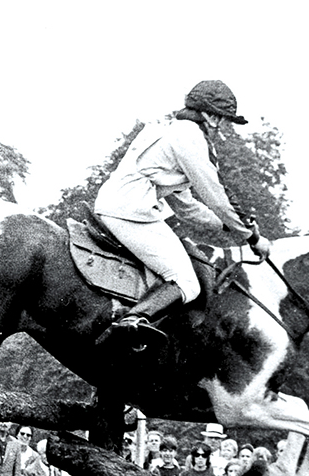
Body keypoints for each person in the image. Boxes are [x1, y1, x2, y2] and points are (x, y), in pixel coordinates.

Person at [93, 80, 270, 350]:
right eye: (221, 120)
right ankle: (133, 323)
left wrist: (225, 227)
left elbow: (186, 206)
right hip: (130, 213)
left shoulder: (168, 131)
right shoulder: (191, 139)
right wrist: (251, 236)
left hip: (115, 204)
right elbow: (218, 195)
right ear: (211, 115)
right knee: (186, 282)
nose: (220, 128)